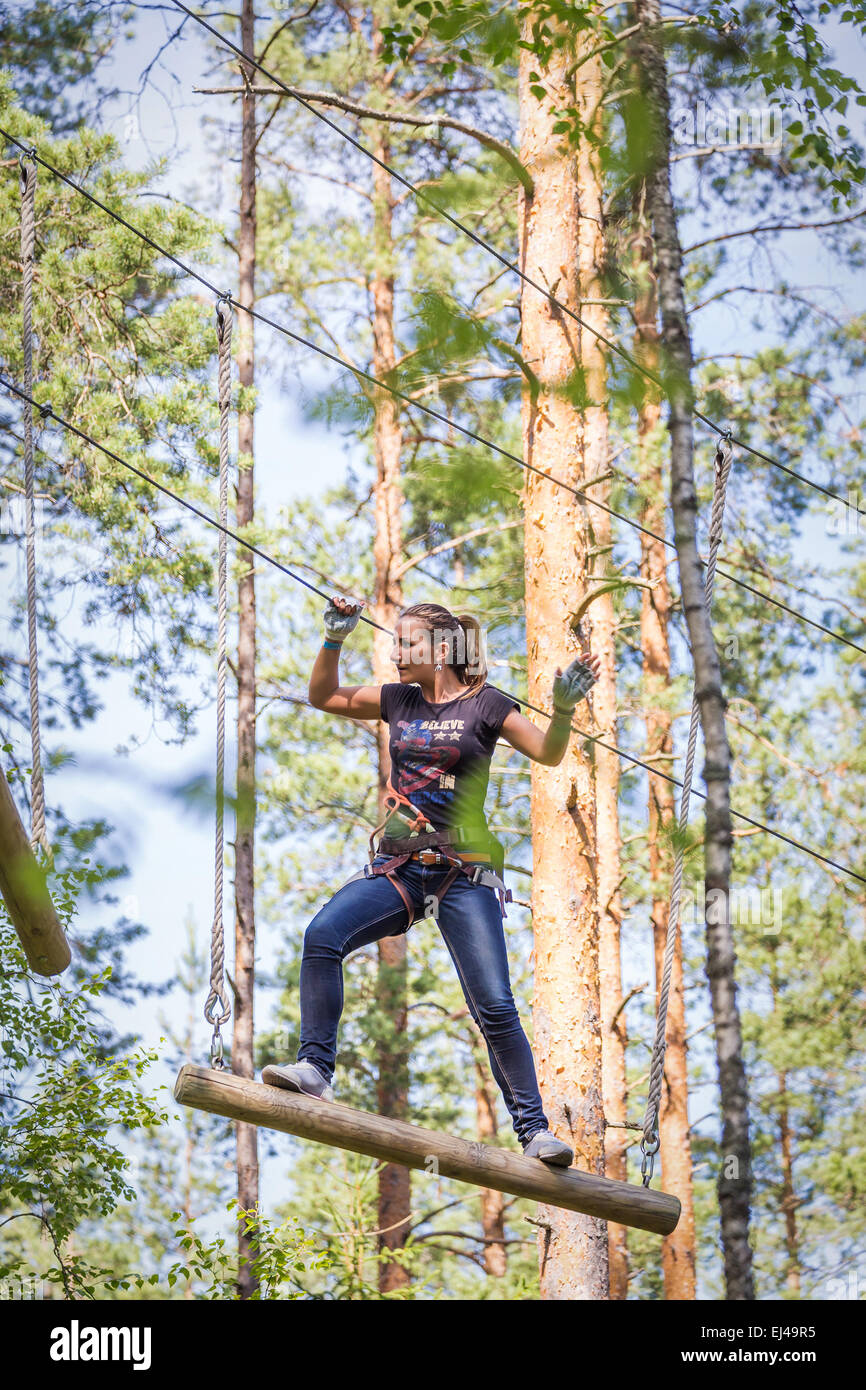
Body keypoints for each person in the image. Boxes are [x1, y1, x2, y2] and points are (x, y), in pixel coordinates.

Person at [263, 596, 600, 1165]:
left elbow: (547, 751)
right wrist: (333, 639)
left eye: (407, 643)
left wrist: (563, 709)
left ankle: (534, 1130)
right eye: (395, 643)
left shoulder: (486, 705)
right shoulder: (398, 701)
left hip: (465, 874)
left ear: (442, 649)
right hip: (401, 866)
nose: (396, 653)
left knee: (494, 1005)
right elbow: (323, 696)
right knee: (322, 936)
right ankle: (316, 1067)